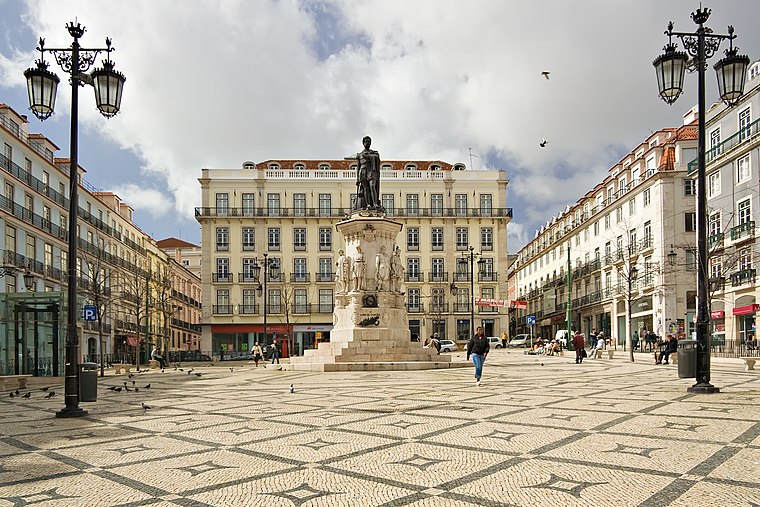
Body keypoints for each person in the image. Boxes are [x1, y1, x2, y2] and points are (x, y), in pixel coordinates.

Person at [346, 135, 381, 210]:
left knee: (372, 186)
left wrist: (370, 156)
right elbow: (358, 167)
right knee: (366, 188)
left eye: (369, 141)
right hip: (362, 171)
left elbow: (377, 158)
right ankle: (368, 204)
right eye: (366, 141)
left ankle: (375, 204)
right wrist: (357, 179)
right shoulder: (359, 155)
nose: (367, 143)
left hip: (371, 170)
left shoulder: (374, 153)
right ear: (363, 143)